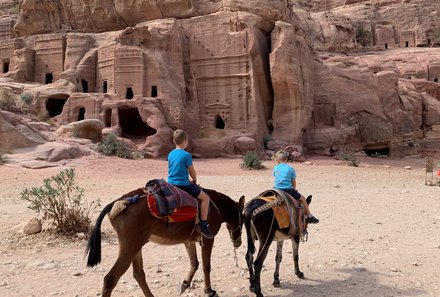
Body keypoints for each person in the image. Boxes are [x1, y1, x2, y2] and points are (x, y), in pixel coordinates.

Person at [167, 129, 214, 239]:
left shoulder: (170, 154)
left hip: (171, 184)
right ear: (185, 141)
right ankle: (203, 224)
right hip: (183, 184)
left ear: (174, 141)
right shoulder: (186, 155)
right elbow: (191, 171)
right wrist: (194, 180)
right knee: (206, 198)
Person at [273, 150, 319, 224]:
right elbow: (293, 183)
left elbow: (276, 179)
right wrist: (294, 189)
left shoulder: (275, 168)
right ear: (286, 158)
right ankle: (309, 216)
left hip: (277, 190)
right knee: (303, 199)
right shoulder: (290, 169)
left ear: (277, 159)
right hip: (288, 190)